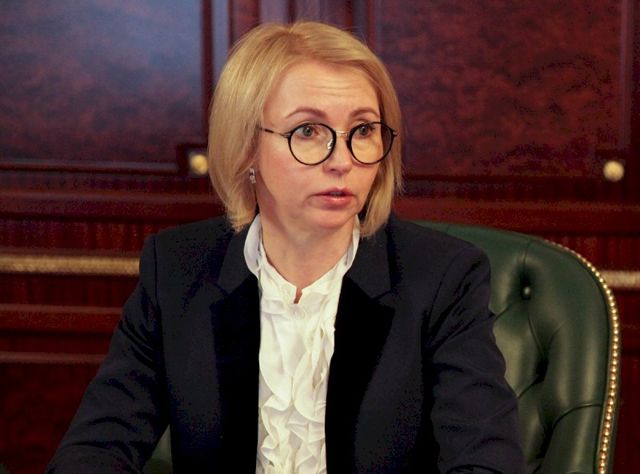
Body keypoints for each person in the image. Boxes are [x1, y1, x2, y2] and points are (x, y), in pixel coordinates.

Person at [47, 21, 524, 473]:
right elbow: (94, 451)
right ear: (247, 148)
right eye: (308, 131)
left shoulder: (444, 278)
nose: (342, 161)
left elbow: (488, 463)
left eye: (362, 131)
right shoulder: (175, 270)